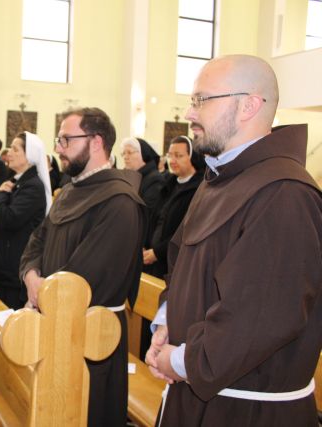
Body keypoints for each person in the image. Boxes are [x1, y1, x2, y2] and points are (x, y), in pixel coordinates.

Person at [146, 54, 322, 426]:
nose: (189, 113)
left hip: (246, 411)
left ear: (248, 106)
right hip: (196, 396)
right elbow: (182, 264)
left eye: (201, 100)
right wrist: (166, 323)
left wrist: (180, 360)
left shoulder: (285, 192)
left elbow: (261, 316)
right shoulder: (220, 179)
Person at [20, 107, 145, 426]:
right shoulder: (70, 190)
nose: (58, 148)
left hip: (91, 337)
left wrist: (44, 292)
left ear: (96, 141)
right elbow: (37, 241)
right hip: (55, 323)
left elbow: (89, 275)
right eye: (58, 139)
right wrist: (32, 276)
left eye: (66, 139)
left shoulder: (119, 201)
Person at [0, 132, 51, 309]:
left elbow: (9, 219)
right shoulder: (13, 180)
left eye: (15, 149)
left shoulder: (33, 186)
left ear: (29, 155)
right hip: (0, 267)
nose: (9, 153)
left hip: (12, 271)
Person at [142, 135, 205, 279]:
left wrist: (158, 253)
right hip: (152, 258)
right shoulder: (168, 184)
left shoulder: (199, 189)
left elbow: (186, 231)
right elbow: (154, 218)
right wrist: (145, 243)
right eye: (170, 155)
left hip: (173, 263)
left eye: (178, 156)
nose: (172, 160)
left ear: (193, 157)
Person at [121, 136, 165, 210]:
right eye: (123, 153)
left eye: (129, 152)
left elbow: (146, 210)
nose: (125, 157)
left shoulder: (155, 180)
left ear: (143, 154)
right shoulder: (126, 177)